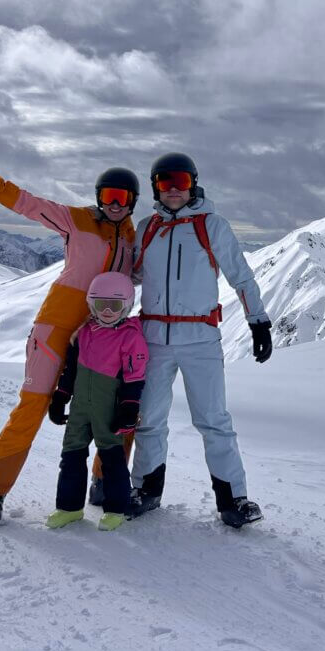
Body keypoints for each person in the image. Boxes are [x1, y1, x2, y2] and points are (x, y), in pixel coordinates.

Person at [0, 143, 138, 527]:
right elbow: (26, 203)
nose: (115, 203)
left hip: (102, 336)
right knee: (32, 406)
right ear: (99, 198)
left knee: (116, 410)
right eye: (109, 196)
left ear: (133, 202)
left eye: (123, 197)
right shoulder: (74, 219)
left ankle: (104, 482)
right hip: (56, 327)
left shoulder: (133, 243)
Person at [126, 151, 273, 528]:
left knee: (213, 420)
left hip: (200, 339)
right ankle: (146, 491)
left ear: (194, 184)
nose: (174, 189)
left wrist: (258, 321)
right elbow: (133, 276)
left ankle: (232, 501)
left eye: (182, 181)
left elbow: (240, 275)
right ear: (155, 186)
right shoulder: (147, 227)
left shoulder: (212, 225)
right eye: (165, 182)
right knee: (149, 420)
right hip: (154, 337)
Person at [46, 271, 147, 532]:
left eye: (115, 305)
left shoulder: (130, 336)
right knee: (71, 455)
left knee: (112, 460)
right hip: (80, 408)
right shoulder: (84, 332)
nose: (108, 311)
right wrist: (61, 397)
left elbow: (134, 377)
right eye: (101, 304)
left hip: (108, 409)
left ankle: (116, 509)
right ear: (92, 303)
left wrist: (128, 407)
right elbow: (70, 371)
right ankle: (69, 508)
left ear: (126, 305)